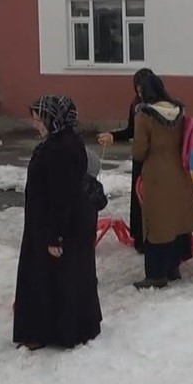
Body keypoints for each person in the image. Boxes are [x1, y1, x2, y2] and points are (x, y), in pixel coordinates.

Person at [14, 95, 103, 350]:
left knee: (51, 279)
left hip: (55, 224)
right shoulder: (64, 140)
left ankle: (49, 333)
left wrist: (55, 236)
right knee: (64, 277)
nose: (35, 125)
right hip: (56, 223)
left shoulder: (60, 148)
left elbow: (61, 196)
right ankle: (66, 329)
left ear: (53, 118)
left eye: (39, 119)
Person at [129, 72, 193, 289]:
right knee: (175, 219)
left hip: (156, 174)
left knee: (157, 222)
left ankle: (156, 274)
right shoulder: (178, 111)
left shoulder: (144, 115)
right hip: (178, 171)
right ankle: (173, 267)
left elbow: (139, 151)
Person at [97, 67, 154, 252]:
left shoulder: (159, 107)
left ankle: (154, 239)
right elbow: (131, 130)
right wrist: (113, 135)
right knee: (138, 198)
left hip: (155, 158)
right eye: (137, 88)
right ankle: (140, 238)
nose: (139, 92)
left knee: (153, 199)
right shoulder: (135, 104)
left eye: (142, 88)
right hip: (139, 157)